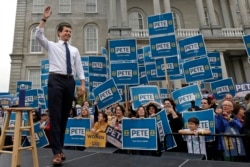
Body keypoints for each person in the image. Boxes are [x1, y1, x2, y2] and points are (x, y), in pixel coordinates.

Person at [35, 6, 85, 165]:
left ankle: (60, 148)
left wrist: (82, 83)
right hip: (55, 80)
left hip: (70, 81)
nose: (68, 33)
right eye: (65, 31)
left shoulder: (75, 50)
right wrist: (44, 19)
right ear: (59, 33)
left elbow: (79, 67)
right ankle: (56, 152)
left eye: (70, 31)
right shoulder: (52, 46)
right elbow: (38, 35)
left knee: (64, 117)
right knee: (55, 117)